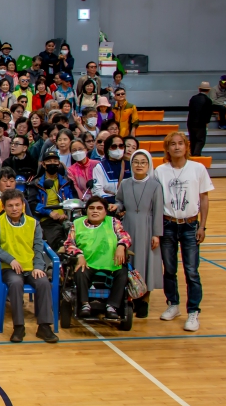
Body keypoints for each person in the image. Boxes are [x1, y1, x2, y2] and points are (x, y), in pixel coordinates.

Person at [154, 131, 212, 332]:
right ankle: (173, 304)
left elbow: (204, 198)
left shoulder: (198, 169)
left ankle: (193, 311)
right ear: (167, 148)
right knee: (169, 269)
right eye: (172, 144)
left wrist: (202, 226)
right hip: (168, 224)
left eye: (180, 143)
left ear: (187, 146)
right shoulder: (160, 171)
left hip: (190, 225)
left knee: (191, 270)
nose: (177, 147)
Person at [0, 189, 58, 343]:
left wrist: (39, 266)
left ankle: (44, 326)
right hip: (9, 268)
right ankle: (19, 326)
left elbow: (39, 247)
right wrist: (10, 259)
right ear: (4, 206)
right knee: (15, 283)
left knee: (44, 282)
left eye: (17, 205)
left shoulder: (34, 223)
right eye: (10, 205)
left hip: (31, 267)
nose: (14, 209)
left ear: (23, 205)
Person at [63, 196, 133, 320]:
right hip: (88, 263)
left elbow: (125, 237)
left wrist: (121, 246)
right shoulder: (77, 224)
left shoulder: (113, 222)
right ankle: (84, 305)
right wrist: (79, 255)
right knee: (80, 271)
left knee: (123, 272)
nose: (95, 211)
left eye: (99, 208)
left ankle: (112, 306)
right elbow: (69, 243)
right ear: (86, 210)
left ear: (105, 211)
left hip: (111, 264)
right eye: (92, 208)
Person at [115, 149, 164, 318]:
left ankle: (144, 301)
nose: (139, 165)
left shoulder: (155, 185)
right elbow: (120, 201)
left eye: (143, 162)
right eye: (136, 162)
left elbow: (158, 211)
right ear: (131, 164)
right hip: (128, 225)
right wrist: (117, 207)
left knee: (146, 264)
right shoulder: (125, 183)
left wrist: (156, 233)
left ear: (148, 165)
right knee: (131, 262)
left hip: (147, 226)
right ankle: (129, 299)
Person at [29, 150, 76, 250]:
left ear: (59, 164)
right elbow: (32, 204)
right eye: (49, 161)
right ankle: (61, 251)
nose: (52, 163)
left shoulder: (67, 182)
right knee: (57, 233)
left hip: (67, 217)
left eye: (55, 161)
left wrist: (67, 213)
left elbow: (74, 200)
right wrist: (49, 212)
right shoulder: (36, 183)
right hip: (46, 219)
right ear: (43, 164)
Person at [187, 81, 214, 157]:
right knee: (200, 140)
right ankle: (196, 155)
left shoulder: (193, 98)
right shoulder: (208, 101)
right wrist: (206, 122)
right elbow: (208, 113)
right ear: (208, 90)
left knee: (192, 139)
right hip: (201, 123)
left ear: (199, 89)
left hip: (191, 122)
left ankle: (192, 154)